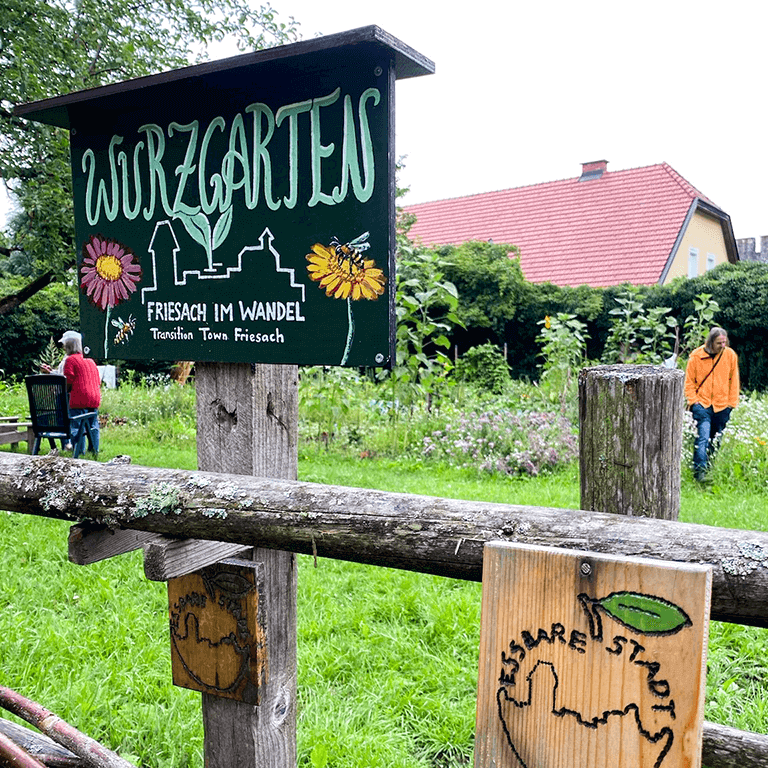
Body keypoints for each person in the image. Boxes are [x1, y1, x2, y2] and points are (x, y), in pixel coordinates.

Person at [684, 327, 739, 482]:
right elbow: (689, 382)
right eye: (718, 343)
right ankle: (700, 473)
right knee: (703, 437)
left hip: (723, 406)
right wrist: (694, 402)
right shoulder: (696, 355)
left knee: (715, 440)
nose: (722, 345)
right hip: (702, 404)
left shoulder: (730, 355)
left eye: (724, 342)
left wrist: (731, 404)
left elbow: (733, 381)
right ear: (710, 342)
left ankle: (709, 469)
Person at [61, 331, 101, 454]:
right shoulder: (90, 360)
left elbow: (69, 380)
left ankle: (79, 450)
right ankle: (94, 449)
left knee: (77, 425)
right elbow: (97, 379)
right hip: (94, 397)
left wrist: (65, 391)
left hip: (79, 398)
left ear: (69, 348)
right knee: (93, 425)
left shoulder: (71, 360)